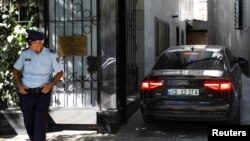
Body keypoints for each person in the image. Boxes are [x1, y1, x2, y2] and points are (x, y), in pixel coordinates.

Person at [13, 29, 64, 141]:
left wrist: (50, 85)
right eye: (29, 43)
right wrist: (20, 86)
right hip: (26, 94)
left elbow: (60, 72)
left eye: (31, 43)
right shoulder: (25, 53)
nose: (29, 45)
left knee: (40, 124)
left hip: (42, 93)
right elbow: (16, 71)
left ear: (40, 43)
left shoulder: (51, 55)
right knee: (29, 123)